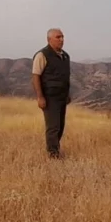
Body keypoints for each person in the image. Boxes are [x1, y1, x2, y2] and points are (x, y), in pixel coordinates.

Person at [31, 28, 72, 159]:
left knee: (60, 126)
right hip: (49, 97)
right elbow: (36, 76)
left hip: (62, 97)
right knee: (53, 127)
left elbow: (66, 77)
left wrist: (67, 94)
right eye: (58, 37)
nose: (62, 40)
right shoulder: (42, 55)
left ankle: (55, 150)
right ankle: (53, 155)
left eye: (62, 37)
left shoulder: (65, 56)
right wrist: (40, 97)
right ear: (49, 40)